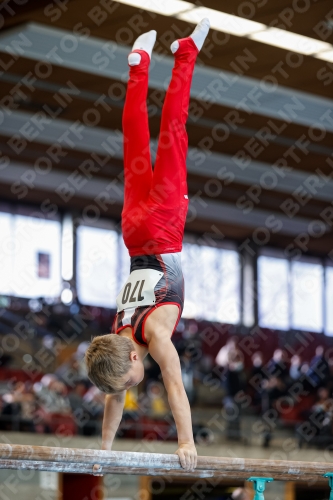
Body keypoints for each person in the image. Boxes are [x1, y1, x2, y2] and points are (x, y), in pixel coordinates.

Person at [85, 19, 211, 472]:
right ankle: (138, 64)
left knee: (174, 130)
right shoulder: (114, 336)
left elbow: (175, 387)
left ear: (135, 358)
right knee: (134, 143)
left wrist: (185, 442)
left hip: (163, 227)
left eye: (131, 379)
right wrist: (102, 455)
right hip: (133, 232)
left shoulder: (153, 337)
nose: (132, 390)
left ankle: (186, 53)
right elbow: (114, 397)